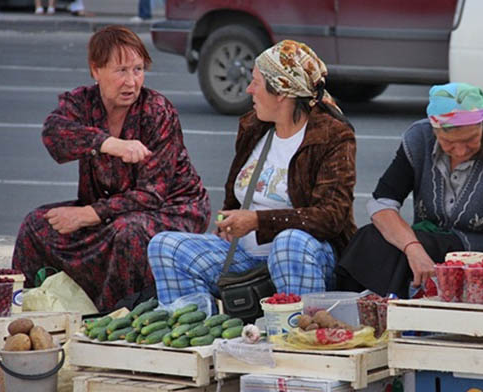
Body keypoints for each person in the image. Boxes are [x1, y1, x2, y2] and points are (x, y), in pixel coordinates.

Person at [11, 26, 210, 312]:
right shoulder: (82, 102)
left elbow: (151, 195)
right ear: (96, 70)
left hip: (172, 209)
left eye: (138, 69)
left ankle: (115, 319)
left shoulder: (157, 111)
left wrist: (88, 215)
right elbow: (54, 133)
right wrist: (107, 143)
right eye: (121, 71)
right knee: (37, 225)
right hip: (110, 209)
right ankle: (26, 311)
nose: (131, 82)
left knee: (126, 232)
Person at [148, 40, 357, 307]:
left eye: (256, 82)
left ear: (281, 90)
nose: (249, 89)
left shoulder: (332, 136)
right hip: (245, 256)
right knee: (165, 247)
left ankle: (297, 334)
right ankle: (201, 333)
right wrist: (229, 222)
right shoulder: (254, 126)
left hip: (304, 257)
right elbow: (236, 195)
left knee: (289, 244)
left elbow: (332, 217)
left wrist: (258, 220)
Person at [336, 83, 483, 298]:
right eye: (449, 142)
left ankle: (397, 312)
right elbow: (382, 202)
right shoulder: (419, 137)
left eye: (470, 140)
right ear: (434, 131)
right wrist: (412, 248)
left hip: (482, 251)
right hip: (427, 239)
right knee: (370, 237)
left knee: (405, 255)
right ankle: (351, 309)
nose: (460, 150)